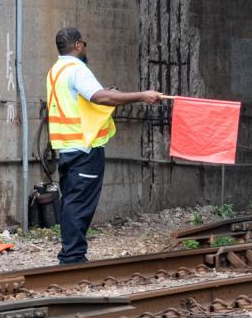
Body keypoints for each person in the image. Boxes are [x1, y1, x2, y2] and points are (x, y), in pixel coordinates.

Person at [46, 27, 164, 264]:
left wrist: (106, 93)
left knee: (71, 201)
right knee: (78, 204)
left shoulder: (56, 70)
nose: (85, 48)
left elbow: (84, 100)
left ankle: (71, 256)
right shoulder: (77, 69)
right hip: (85, 148)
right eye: (85, 44)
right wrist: (142, 95)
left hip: (68, 147)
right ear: (78, 45)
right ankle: (72, 259)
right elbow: (99, 97)